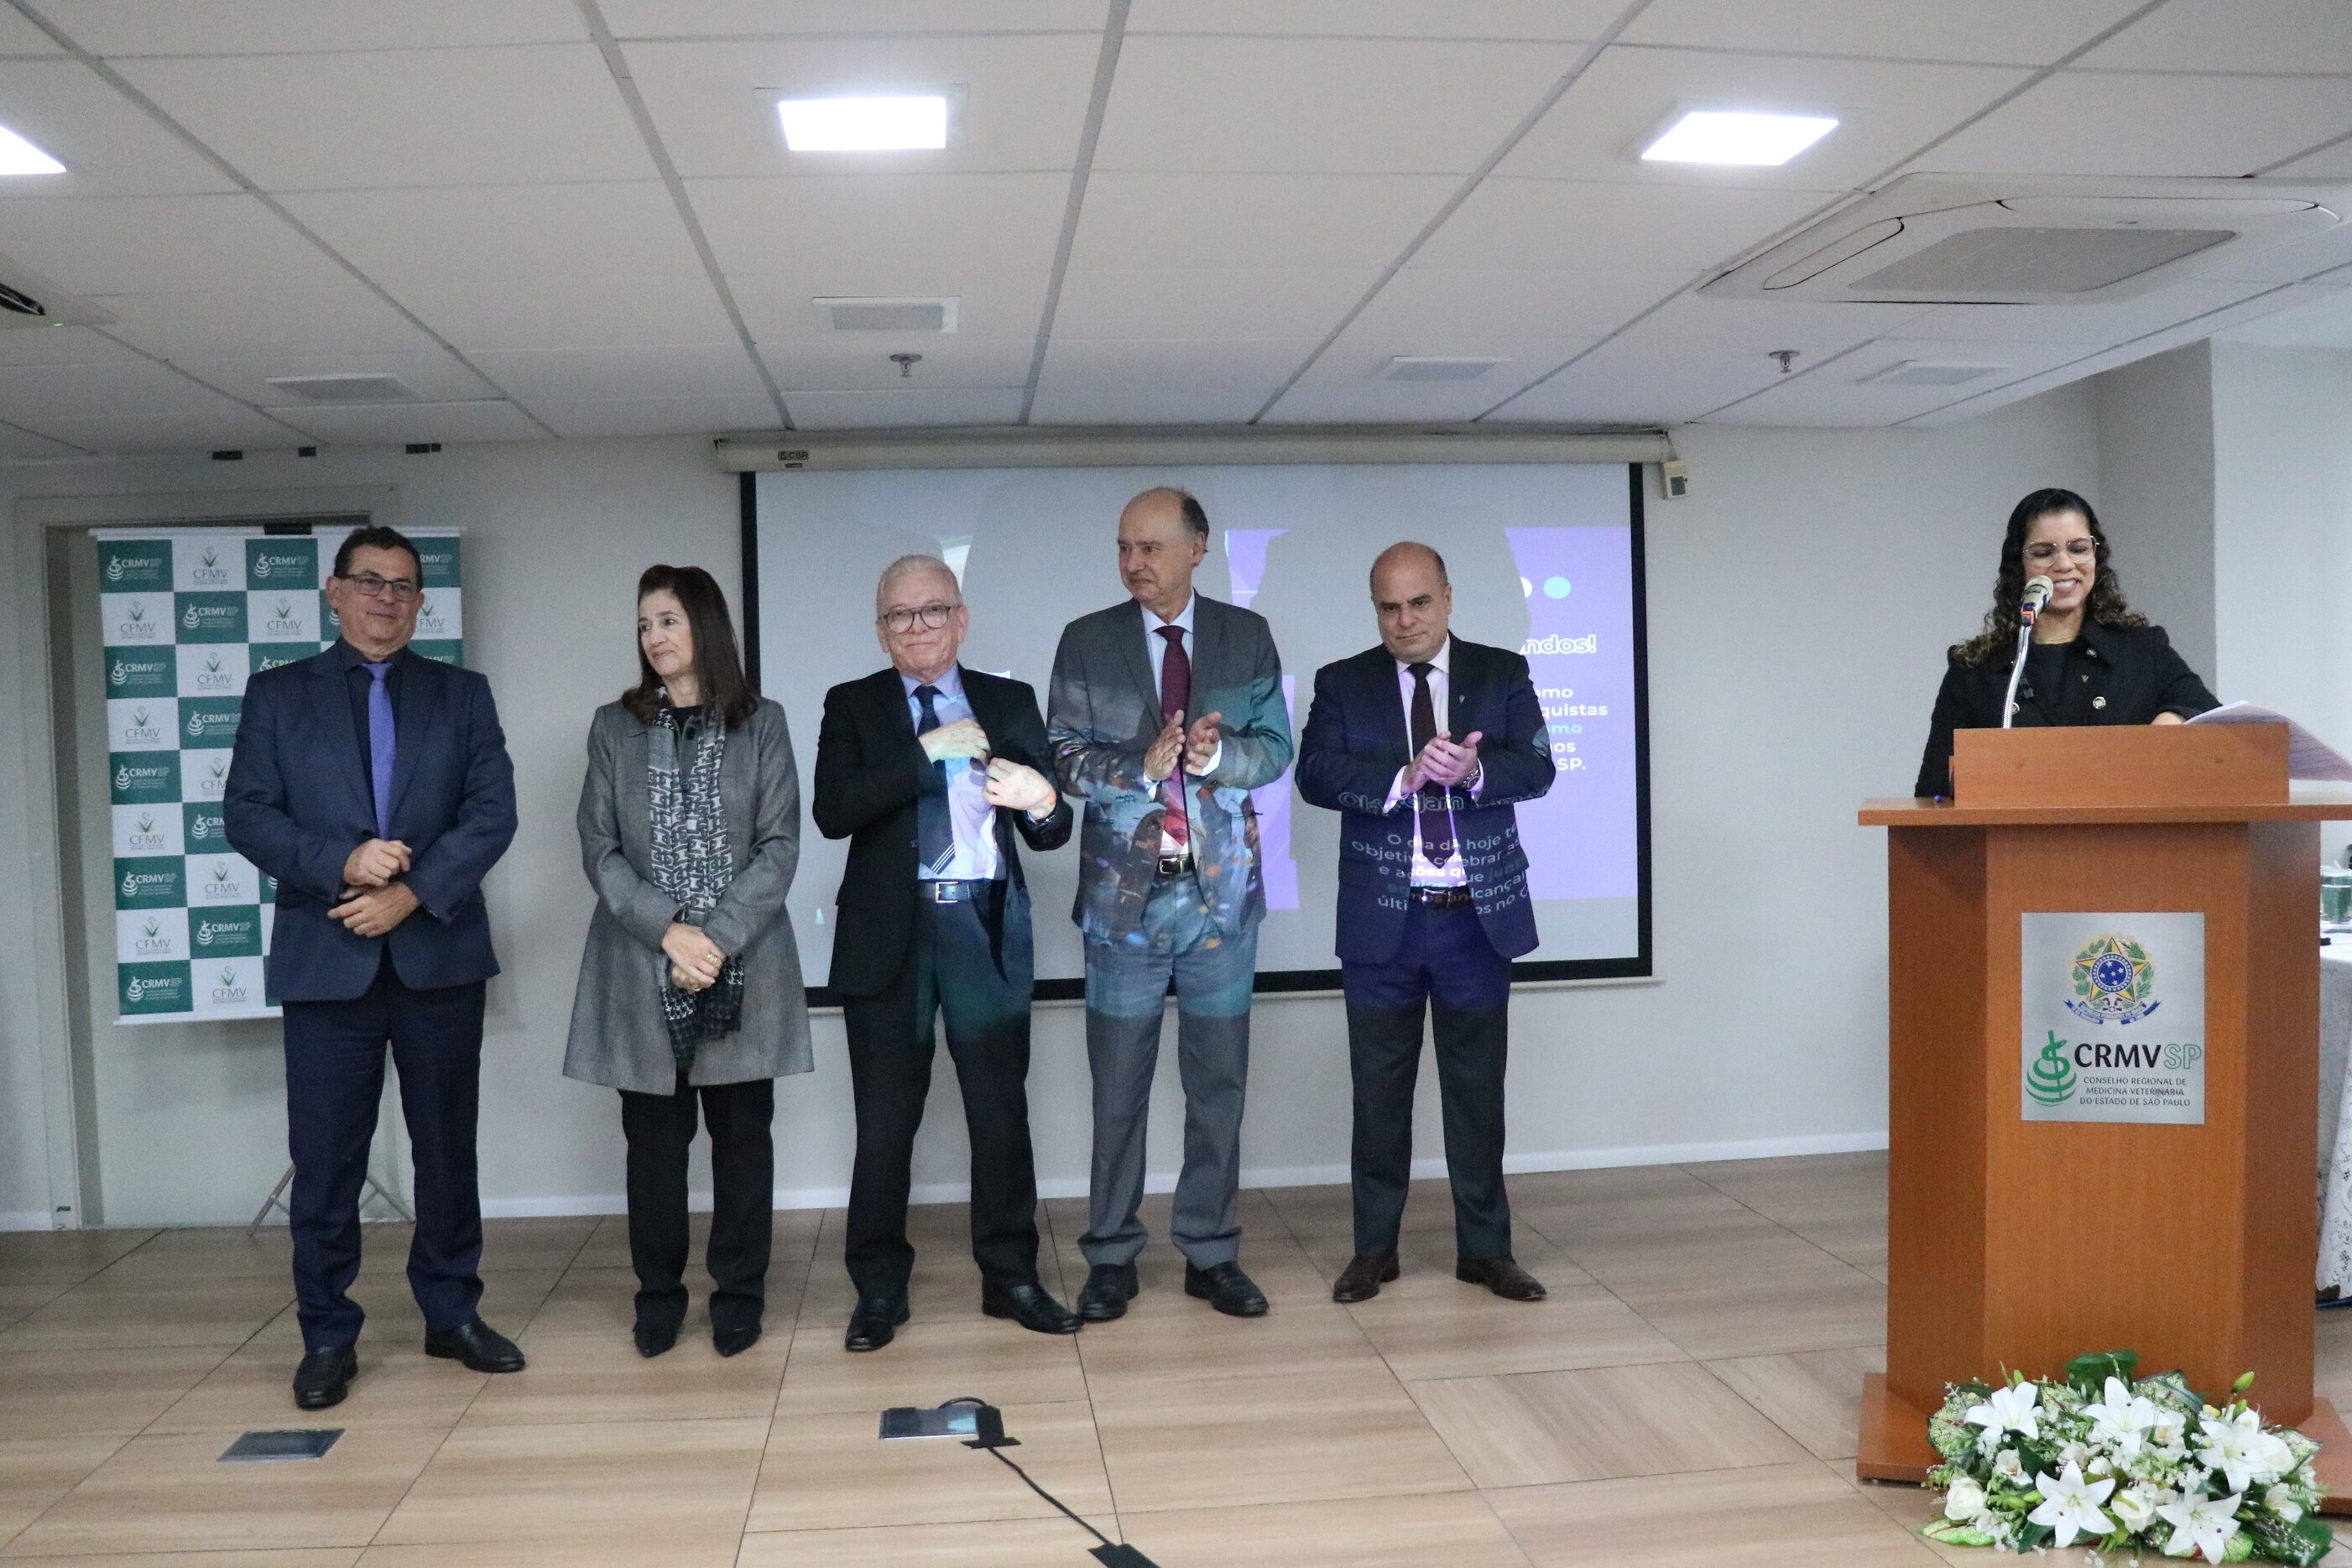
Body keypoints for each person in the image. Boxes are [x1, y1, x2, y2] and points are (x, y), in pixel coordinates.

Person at [224, 523, 521, 1411]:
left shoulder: (461, 694)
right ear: (334, 590)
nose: (385, 599)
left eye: (402, 586)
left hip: (437, 956)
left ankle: (450, 1313)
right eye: (369, 582)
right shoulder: (277, 696)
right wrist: (342, 865)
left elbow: (491, 813)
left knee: (445, 1152)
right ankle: (326, 1333)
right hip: (328, 961)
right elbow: (247, 815)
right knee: (325, 1162)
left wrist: (412, 893)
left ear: (420, 600)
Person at [812, 555, 1079, 1352]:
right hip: (889, 936)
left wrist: (1045, 801)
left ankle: (1012, 1277)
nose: (918, 627)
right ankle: (879, 1290)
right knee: (885, 1124)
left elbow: (1050, 824)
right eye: (900, 615)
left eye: (933, 612)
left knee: (1000, 1116)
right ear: (880, 630)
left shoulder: (1008, 700)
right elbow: (835, 810)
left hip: (983, 926)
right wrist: (928, 750)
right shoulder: (853, 704)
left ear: (961, 620)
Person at [1046, 487, 1293, 1321]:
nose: (1132, 565)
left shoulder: (1246, 635)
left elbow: (1275, 753)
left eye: (1150, 548)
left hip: (1219, 906)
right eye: (1123, 548)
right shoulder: (1086, 641)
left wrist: (1220, 755)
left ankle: (1210, 1252)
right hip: (1124, 909)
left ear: (1198, 547)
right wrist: (1141, 769)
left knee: (1217, 1085)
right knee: (1117, 1087)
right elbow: (1064, 761)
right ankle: (1111, 1254)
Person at [1295, 542, 1556, 1305]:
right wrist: (1399, 778)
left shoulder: (1500, 672)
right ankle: (1373, 1252)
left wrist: (1473, 772)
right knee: (1378, 1096)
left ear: (1446, 597)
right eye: (1387, 607)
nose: (1403, 620)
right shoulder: (1343, 682)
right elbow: (1313, 771)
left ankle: (1486, 1251)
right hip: (1385, 923)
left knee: (1477, 1093)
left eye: (1417, 603)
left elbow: (1536, 766)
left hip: (1476, 921)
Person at [563, 565, 809, 1359]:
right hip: (642, 964)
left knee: (744, 1142)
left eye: (667, 620)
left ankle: (738, 1295)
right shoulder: (613, 725)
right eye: (643, 625)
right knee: (655, 1148)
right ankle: (658, 1296)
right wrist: (669, 930)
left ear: (704, 625)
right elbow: (598, 847)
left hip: (744, 959)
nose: (654, 637)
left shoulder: (761, 721)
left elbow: (779, 847)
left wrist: (715, 938)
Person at [1915, 487, 2219, 799]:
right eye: (2044, 552)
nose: (2063, 565)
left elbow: (2215, 720)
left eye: (2078, 548)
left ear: (2096, 556)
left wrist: (2176, 716)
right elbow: (1933, 792)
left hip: (2127, 841)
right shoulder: (1975, 671)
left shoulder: (2142, 651)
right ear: (2017, 564)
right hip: (2013, 844)